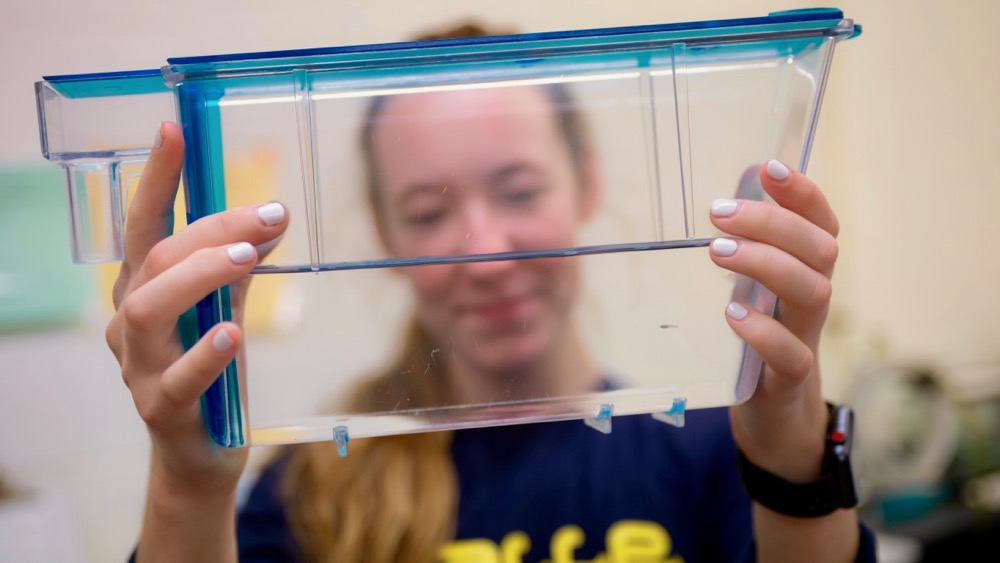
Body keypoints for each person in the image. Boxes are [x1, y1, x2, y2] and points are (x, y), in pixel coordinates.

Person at [109, 24, 875, 563]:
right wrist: (185, 481)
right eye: (429, 210)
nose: (485, 252)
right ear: (384, 232)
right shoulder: (310, 492)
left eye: (517, 189)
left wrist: (789, 454)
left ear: (587, 183)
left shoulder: (715, 453)